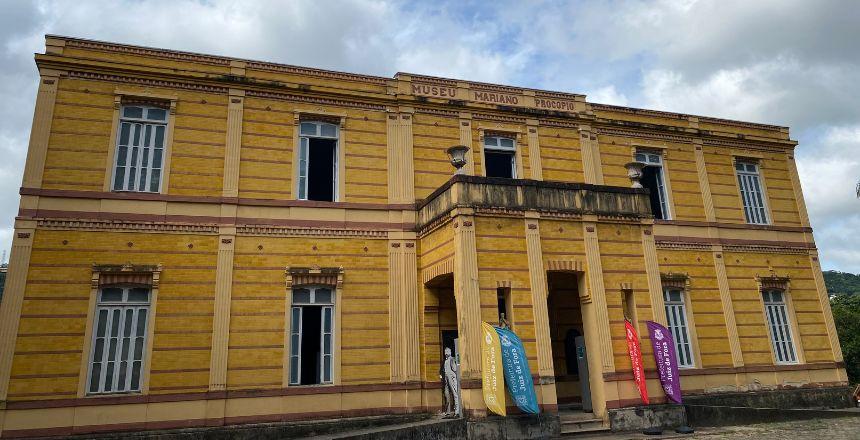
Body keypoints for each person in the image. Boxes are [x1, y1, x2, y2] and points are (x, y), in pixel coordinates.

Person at [441, 347, 460, 417]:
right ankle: (448, 412)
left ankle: (457, 411)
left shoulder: (452, 359)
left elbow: (455, 369)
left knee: (455, 394)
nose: (446, 353)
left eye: (447, 351)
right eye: (445, 352)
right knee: (447, 395)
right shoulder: (445, 361)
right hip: (446, 380)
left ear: (450, 352)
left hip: (452, 378)